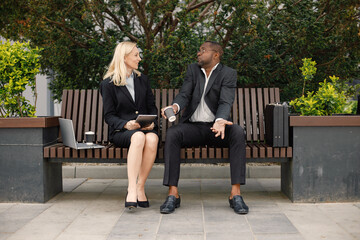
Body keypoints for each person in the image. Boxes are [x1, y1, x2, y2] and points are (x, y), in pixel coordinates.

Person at [160, 41, 248, 214]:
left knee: (237, 132)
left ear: (216, 55)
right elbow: (184, 94)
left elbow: (225, 101)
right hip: (193, 127)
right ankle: (173, 194)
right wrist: (175, 107)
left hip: (217, 129)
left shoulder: (228, 73)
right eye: (199, 50)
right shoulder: (193, 70)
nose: (198, 53)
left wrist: (220, 120)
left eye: (202, 50)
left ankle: (235, 194)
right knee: (172, 134)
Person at [100, 41, 159, 210]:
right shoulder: (108, 84)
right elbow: (109, 116)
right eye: (136, 55)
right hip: (122, 132)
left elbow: (151, 106)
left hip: (144, 129)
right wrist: (126, 124)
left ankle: (141, 187)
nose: (139, 58)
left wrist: (151, 122)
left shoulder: (143, 80)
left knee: (153, 139)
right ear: (124, 57)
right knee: (139, 137)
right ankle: (131, 189)